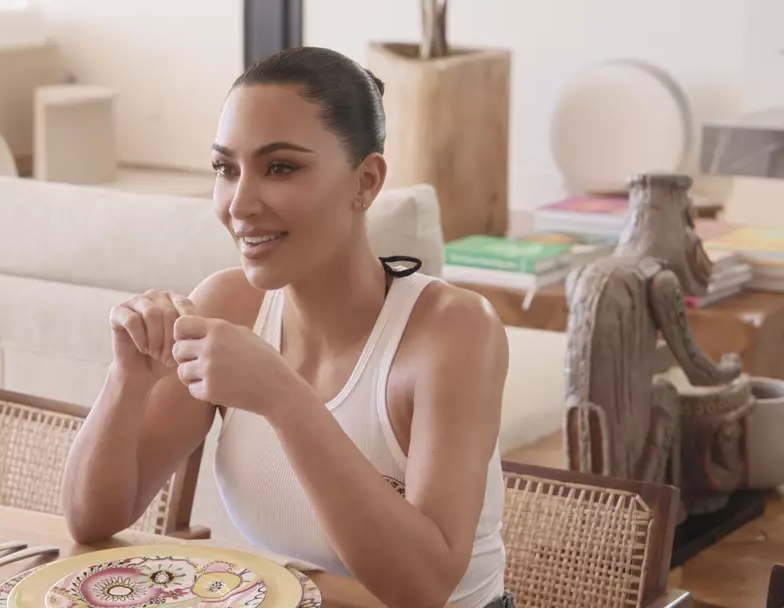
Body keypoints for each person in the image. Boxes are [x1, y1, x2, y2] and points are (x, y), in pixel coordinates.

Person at [62, 46, 511, 608]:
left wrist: (282, 396)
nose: (239, 204)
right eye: (226, 169)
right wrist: (125, 380)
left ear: (366, 181)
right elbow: (92, 520)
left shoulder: (454, 332)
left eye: (280, 167)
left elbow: (422, 590)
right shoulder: (226, 305)